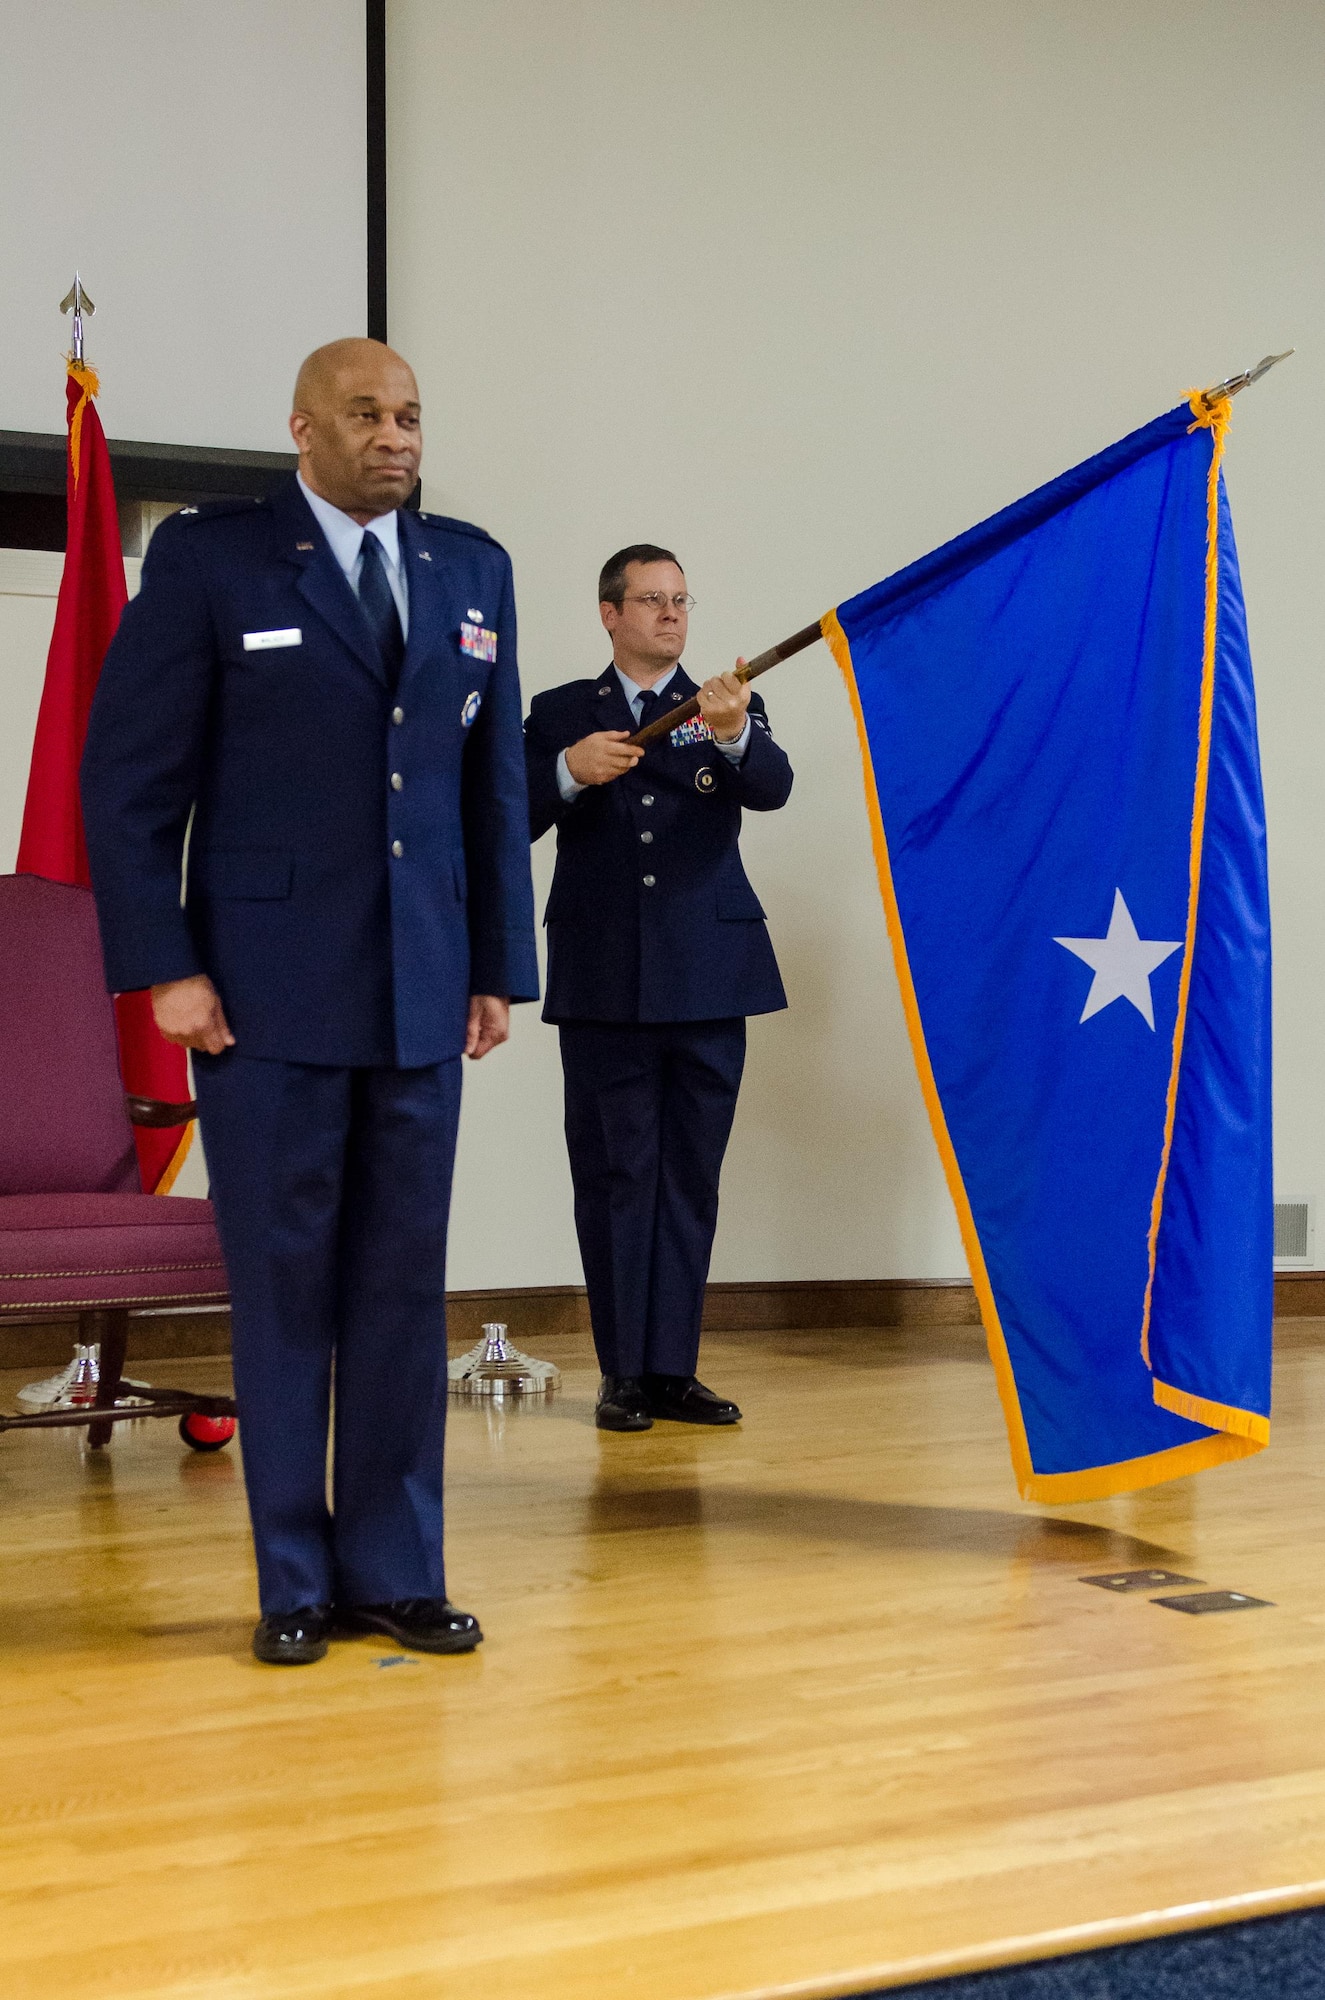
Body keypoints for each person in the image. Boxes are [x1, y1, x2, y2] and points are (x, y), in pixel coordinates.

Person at [81, 338, 538, 1664]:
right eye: (365, 414)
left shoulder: (472, 566)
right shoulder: (215, 559)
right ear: (301, 427)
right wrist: (165, 966)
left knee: (402, 1287)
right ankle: (292, 1576)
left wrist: (497, 965)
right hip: (260, 997)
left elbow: (490, 788)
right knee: (283, 1289)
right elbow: (131, 786)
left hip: (421, 989)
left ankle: (396, 1568)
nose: (395, 436)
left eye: (408, 415)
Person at [523, 545, 793, 1432]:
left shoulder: (724, 702)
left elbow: (773, 788)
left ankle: (673, 1368)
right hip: (605, 979)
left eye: (680, 600)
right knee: (613, 1175)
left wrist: (731, 732)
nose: (670, 615)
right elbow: (507, 814)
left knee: (688, 1178)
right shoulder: (562, 712)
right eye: (650, 601)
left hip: (711, 977)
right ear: (609, 612)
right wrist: (569, 771)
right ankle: (623, 1372)